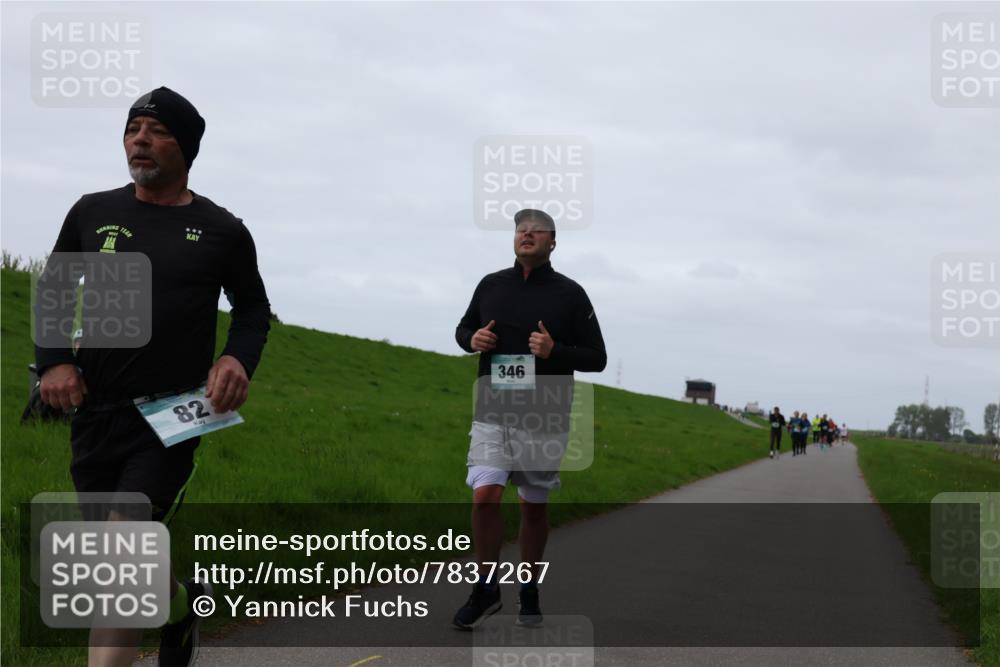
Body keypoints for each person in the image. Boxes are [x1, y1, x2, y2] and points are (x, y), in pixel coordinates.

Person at [36, 87, 271, 667]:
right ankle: (184, 605)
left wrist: (236, 358)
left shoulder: (221, 229)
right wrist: (54, 362)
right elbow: (57, 291)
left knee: (119, 563)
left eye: (156, 130)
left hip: (171, 414)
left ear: (185, 147)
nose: (140, 138)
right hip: (97, 410)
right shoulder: (94, 212)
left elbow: (252, 309)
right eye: (132, 128)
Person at [453, 208, 607, 629]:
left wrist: (555, 350)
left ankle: (528, 587)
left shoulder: (570, 294)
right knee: (485, 495)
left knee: (533, 507)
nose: (526, 233)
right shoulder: (491, 284)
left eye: (537, 230)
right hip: (493, 408)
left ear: (552, 242)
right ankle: (485, 587)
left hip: (544, 412)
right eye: (521, 228)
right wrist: (473, 339)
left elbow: (597, 358)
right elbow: (463, 328)